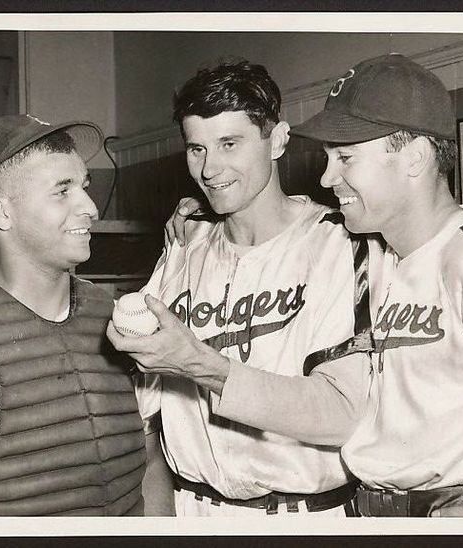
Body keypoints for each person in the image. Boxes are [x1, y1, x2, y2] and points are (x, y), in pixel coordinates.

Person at [111, 54, 463, 517]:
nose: (324, 177)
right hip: (351, 509)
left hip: (405, 509)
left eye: (346, 158)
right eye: (197, 149)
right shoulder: (385, 257)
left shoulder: (376, 250)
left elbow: (342, 409)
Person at [108, 61, 365, 517]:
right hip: (192, 508)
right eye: (197, 149)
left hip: (302, 514)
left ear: (278, 139)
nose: (210, 169)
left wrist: (202, 366)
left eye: (230, 143)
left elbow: (342, 415)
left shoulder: (341, 246)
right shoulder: (184, 247)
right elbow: (146, 416)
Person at [0, 114, 168, 517]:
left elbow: (149, 460)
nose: (90, 208)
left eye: (84, 187)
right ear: (2, 213)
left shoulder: (115, 318)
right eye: (63, 191)